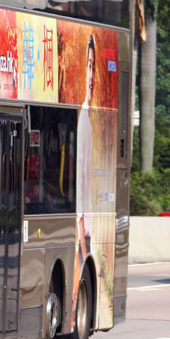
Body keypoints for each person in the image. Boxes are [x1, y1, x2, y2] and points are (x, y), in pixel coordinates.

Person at [75, 35, 96, 214]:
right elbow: (80, 182)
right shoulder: (82, 118)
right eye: (89, 67)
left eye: (94, 68)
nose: (92, 78)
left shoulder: (89, 116)